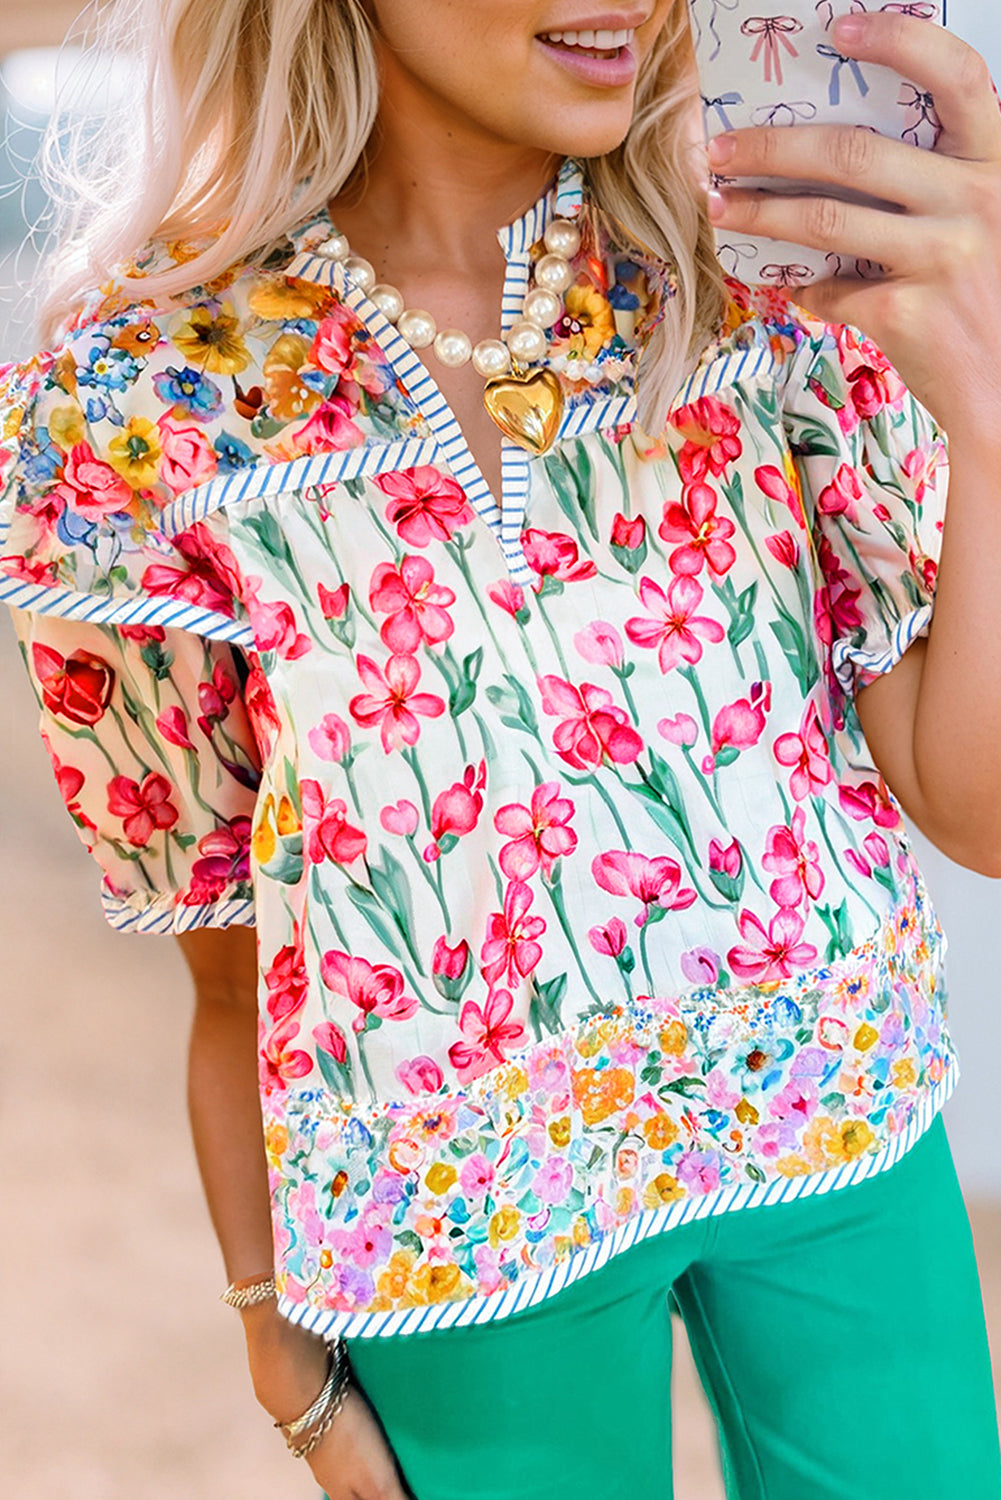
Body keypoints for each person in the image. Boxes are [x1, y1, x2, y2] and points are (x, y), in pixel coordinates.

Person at [2, 1, 1001, 1496]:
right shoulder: (135, 407)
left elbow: (974, 814)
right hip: (445, 1207)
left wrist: (989, 412)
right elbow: (226, 963)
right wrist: (274, 1339)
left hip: (843, 1132)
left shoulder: (768, 283)